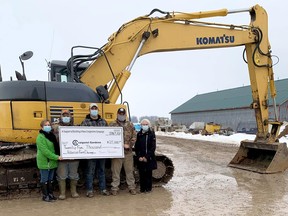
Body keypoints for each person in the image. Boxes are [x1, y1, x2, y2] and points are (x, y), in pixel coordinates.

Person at [81, 103, 110, 197]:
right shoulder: (85, 122)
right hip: (91, 152)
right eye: (92, 108)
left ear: (98, 110)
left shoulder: (103, 122)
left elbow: (108, 135)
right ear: (89, 110)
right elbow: (81, 135)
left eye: (95, 108)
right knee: (90, 171)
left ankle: (103, 189)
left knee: (102, 171)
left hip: (102, 152)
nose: (94, 110)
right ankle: (89, 190)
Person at [52, 109, 80, 200]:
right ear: (60, 117)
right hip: (61, 157)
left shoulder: (76, 128)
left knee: (74, 175)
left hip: (74, 157)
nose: (66, 117)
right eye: (64, 115)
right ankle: (62, 193)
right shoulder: (55, 128)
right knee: (62, 176)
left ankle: (73, 191)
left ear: (70, 117)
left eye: (67, 115)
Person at [109, 107, 137, 195]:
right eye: (120, 114)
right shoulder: (112, 124)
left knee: (129, 171)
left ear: (125, 115)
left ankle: (131, 187)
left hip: (128, 152)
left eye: (123, 114)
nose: (121, 115)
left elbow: (134, 136)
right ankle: (114, 188)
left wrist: (129, 145)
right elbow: (108, 137)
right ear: (117, 114)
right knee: (115, 171)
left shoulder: (130, 124)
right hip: (116, 153)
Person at [36, 119, 62, 202]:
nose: (47, 126)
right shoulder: (40, 137)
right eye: (45, 125)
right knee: (45, 179)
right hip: (45, 162)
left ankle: (50, 194)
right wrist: (56, 157)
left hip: (52, 162)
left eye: (49, 125)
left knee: (50, 179)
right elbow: (45, 151)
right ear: (42, 127)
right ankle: (45, 195)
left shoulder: (52, 136)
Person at [134, 119, 157, 193]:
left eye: (146, 124)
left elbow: (153, 147)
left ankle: (148, 189)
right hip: (141, 158)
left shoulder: (151, 134)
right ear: (141, 125)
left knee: (148, 174)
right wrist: (139, 157)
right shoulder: (139, 134)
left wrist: (146, 157)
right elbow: (137, 147)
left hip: (148, 158)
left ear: (149, 125)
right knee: (142, 174)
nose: (144, 126)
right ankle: (142, 189)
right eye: (143, 124)